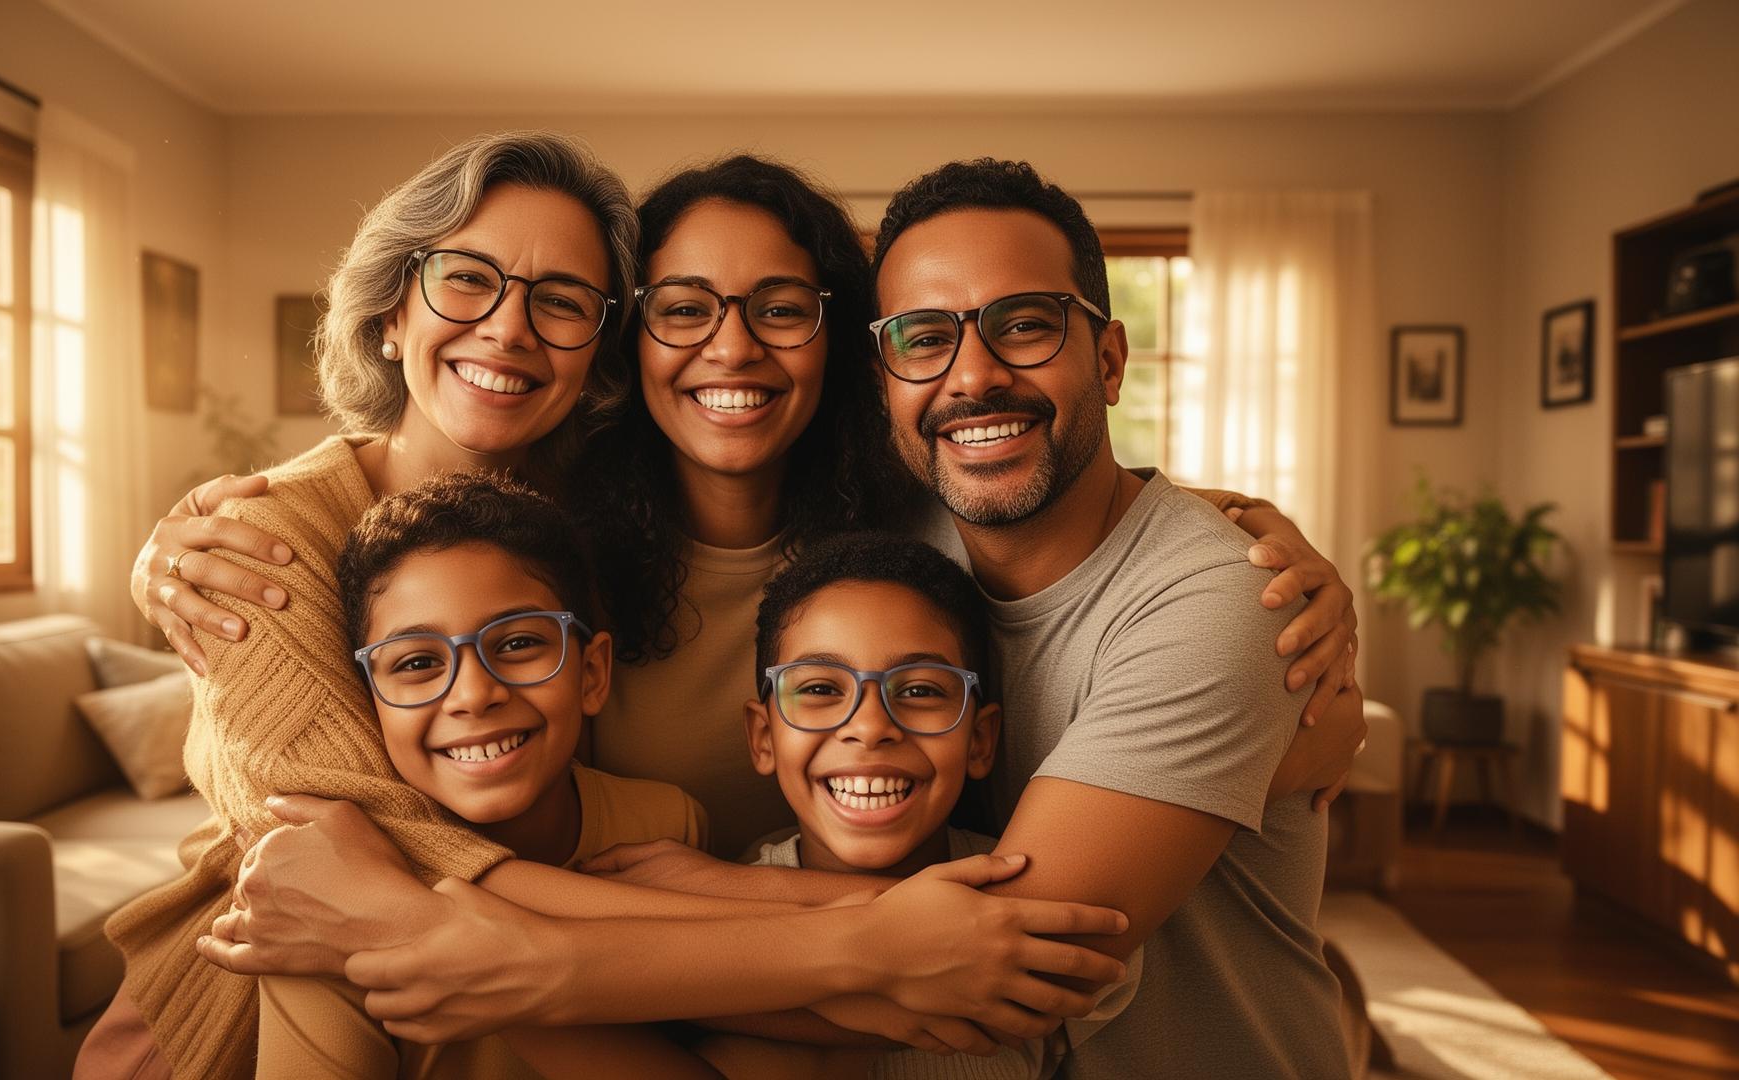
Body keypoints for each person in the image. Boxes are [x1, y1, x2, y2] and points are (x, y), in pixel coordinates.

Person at [87, 135, 1133, 1080]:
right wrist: (870, 934)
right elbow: (370, 864)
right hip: (260, 1015)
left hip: (624, 1016)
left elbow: (1057, 502)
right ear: (391, 308)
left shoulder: (880, 532)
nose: (730, 349)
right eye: (684, 308)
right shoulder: (284, 548)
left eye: (559, 300)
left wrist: (1220, 526)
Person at [861, 159, 1360, 1077]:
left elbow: (1007, 959)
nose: (972, 375)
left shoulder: (1226, 599)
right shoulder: (891, 557)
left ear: (1111, 358)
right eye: (924, 337)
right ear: (885, 379)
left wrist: (603, 950)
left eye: (1023, 325)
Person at [256, 470, 725, 1080]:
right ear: (368, 700)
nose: (473, 695)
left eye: (518, 644)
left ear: (592, 674)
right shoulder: (323, 899)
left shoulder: (666, 826)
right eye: (418, 662)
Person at [695, 531, 1142, 1080]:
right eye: (818, 689)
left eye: (920, 690)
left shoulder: (1049, 899)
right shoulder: (708, 922)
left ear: (980, 740)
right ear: (763, 736)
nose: (869, 727)